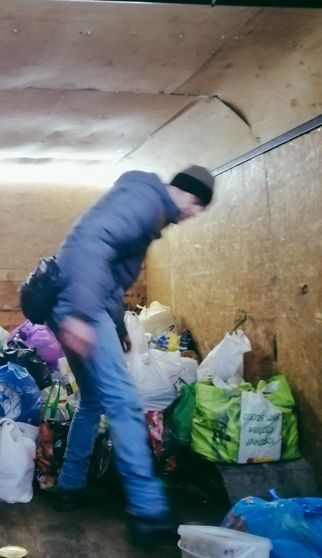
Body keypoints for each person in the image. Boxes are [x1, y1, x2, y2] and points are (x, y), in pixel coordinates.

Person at [47, 165, 215, 531]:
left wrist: (119, 324)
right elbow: (88, 245)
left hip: (77, 304)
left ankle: (70, 486)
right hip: (80, 306)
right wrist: (81, 315)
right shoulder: (143, 201)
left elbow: (109, 275)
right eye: (198, 205)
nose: (195, 214)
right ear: (185, 193)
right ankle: (147, 509)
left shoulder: (147, 207)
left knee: (92, 401)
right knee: (124, 401)